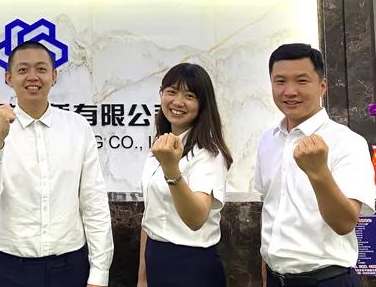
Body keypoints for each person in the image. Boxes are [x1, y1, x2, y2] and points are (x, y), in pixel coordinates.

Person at [0, 41, 114, 287]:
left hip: (69, 267)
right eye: (22, 70)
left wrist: (99, 272)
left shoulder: (77, 127)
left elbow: (94, 202)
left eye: (41, 69)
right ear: (8, 78)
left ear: (54, 76)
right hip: (11, 270)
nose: (32, 77)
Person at [255, 43, 375, 287]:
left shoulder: (348, 142)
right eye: (280, 81)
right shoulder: (268, 140)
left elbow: (344, 223)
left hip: (327, 280)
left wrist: (319, 172)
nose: (290, 91)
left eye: (302, 81)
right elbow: (269, 208)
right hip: (276, 278)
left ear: (322, 86)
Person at [137, 63, 232, 287]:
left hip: (192, 266)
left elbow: (196, 219)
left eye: (189, 96)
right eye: (171, 92)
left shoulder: (208, 153)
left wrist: (171, 170)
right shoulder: (161, 145)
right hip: (156, 257)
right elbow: (149, 217)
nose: (178, 102)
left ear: (203, 103)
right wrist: (142, 276)